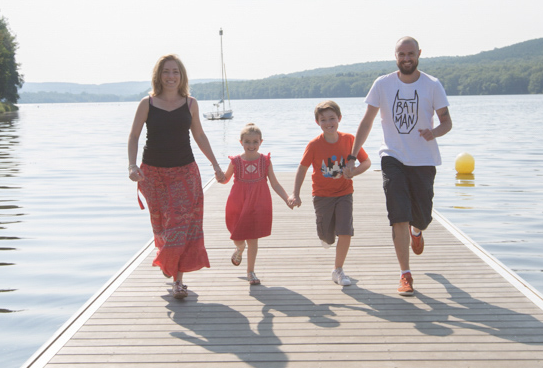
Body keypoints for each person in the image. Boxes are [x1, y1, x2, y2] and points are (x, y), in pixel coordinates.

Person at [345, 37, 452, 296]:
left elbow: (447, 122)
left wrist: (434, 133)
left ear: (419, 54)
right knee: (398, 215)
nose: (406, 58)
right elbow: (368, 122)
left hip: (424, 159)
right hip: (392, 158)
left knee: (422, 216)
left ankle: (418, 231)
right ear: (395, 56)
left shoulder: (432, 85)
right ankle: (405, 274)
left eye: (410, 54)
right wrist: (351, 155)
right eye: (401, 54)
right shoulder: (382, 84)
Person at [128, 54, 225, 299]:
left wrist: (215, 164)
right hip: (153, 175)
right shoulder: (147, 103)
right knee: (162, 227)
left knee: (182, 225)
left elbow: (200, 136)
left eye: (175, 72)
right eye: (166, 72)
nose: (171, 77)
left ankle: (178, 280)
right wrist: (131, 165)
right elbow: (134, 136)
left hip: (185, 173)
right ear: (158, 76)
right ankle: (168, 260)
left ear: (181, 76)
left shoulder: (190, 103)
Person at [289, 101, 371, 286]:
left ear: (339, 119)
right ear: (317, 122)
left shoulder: (350, 140)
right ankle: (327, 234)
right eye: (323, 119)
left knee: (345, 231)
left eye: (332, 118)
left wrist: (353, 172)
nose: (328, 123)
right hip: (322, 196)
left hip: (344, 193)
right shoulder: (314, 145)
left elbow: (366, 163)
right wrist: (296, 193)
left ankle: (338, 270)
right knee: (327, 237)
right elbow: (302, 169)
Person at [223, 123, 292, 286]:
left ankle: (251, 271)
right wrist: (219, 174)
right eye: (247, 141)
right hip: (238, 203)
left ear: (261, 142)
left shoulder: (265, 161)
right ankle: (239, 249)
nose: (251, 145)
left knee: (253, 238)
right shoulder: (236, 162)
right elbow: (225, 179)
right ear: (241, 142)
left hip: (257, 204)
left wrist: (287, 198)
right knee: (237, 237)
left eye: (255, 142)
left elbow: (274, 184)